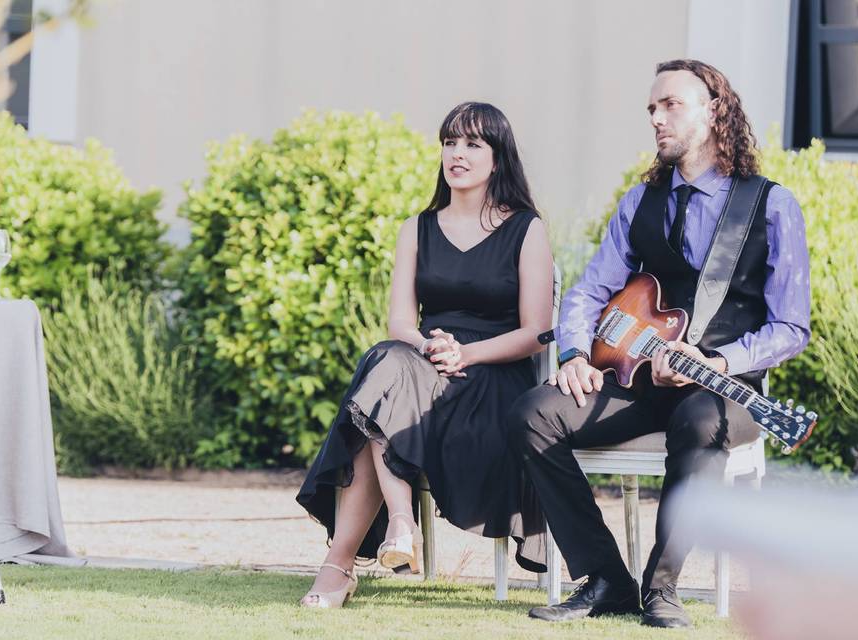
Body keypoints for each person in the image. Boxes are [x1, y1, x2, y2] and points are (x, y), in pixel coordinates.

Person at [510, 59, 811, 628]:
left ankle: (661, 588)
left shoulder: (772, 205)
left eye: (670, 104)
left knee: (699, 421)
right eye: (651, 107)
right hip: (639, 379)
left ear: (714, 109)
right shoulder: (639, 201)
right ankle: (604, 579)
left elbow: (791, 327)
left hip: (726, 387)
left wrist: (718, 361)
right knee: (532, 413)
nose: (656, 117)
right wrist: (575, 354)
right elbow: (587, 292)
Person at [296, 102, 553, 608]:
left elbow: (536, 331)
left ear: (497, 159)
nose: (457, 154)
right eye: (450, 142)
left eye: (472, 144)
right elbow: (399, 323)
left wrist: (468, 353)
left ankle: (345, 562)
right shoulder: (417, 227)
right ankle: (398, 524)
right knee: (388, 358)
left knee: (378, 391)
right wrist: (432, 347)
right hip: (423, 360)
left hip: (493, 374)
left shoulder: (526, 228)